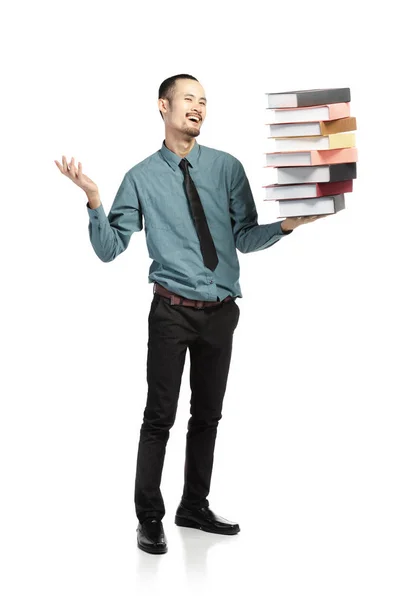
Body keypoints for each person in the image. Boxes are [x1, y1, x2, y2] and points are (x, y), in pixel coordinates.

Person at [55, 73, 324, 555]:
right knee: (159, 417)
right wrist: (93, 199)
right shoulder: (140, 176)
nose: (198, 107)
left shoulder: (226, 168)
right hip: (171, 312)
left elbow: (244, 236)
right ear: (163, 106)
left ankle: (193, 506)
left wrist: (286, 225)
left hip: (221, 312)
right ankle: (149, 519)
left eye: (204, 101)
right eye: (188, 99)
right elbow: (109, 248)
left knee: (208, 416)